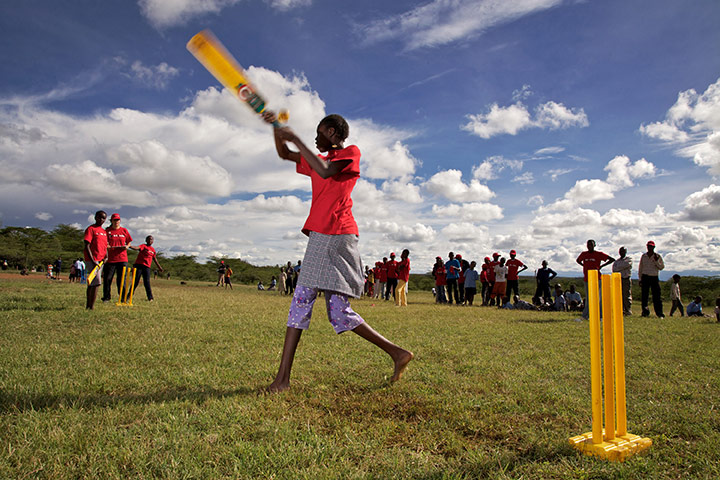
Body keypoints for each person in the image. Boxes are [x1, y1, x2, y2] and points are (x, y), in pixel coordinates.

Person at [262, 111, 413, 392]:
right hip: (327, 234)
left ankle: (282, 380)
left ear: (332, 133)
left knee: (301, 301)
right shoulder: (317, 158)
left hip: (332, 233)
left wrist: (294, 137)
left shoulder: (348, 153)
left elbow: (326, 170)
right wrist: (276, 128)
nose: (314, 138)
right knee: (339, 313)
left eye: (319, 132)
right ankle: (398, 353)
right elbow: (285, 154)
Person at [576, 240, 615, 319]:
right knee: (588, 298)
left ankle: (600, 316)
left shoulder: (599, 254)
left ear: (594, 245)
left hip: (597, 278)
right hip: (587, 278)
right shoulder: (584, 254)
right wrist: (584, 265)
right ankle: (586, 315)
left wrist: (601, 266)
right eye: (588, 244)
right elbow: (578, 260)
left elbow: (611, 259)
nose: (589, 246)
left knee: (599, 298)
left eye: (591, 244)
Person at [102, 213, 133, 302]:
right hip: (111, 259)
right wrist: (107, 246)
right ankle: (106, 297)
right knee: (108, 279)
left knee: (121, 280)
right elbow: (104, 243)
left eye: (118, 220)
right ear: (111, 221)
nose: (116, 222)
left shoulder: (124, 230)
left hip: (122, 259)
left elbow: (129, 241)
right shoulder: (107, 231)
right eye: (115, 220)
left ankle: (122, 297)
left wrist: (127, 246)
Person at [83, 211, 108, 309]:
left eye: (103, 218)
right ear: (95, 217)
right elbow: (87, 245)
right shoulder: (91, 229)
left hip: (101, 260)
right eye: (100, 217)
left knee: (92, 283)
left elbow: (105, 246)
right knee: (97, 282)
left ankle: (88, 306)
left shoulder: (104, 232)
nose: (101, 220)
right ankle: (91, 306)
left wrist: (106, 256)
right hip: (93, 259)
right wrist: (92, 259)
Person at [128, 235, 163, 301]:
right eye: (149, 239)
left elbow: (155, 259)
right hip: (139, 266)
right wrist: (130, 246)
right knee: (135, 281)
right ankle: (129, 296)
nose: (150, 241)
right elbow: (137, 248)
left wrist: (159, 267)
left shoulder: (153, 250)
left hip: (146, 267)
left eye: (151, 240)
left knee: (147, 282)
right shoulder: (143, 246)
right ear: (146, 240)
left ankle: (150, 298)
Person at [638, 240, 665, 318]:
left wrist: (656, 261)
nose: (650, 248)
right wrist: (640, 279)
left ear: (654, 247)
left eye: (651, 247)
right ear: (647, 247)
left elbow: (661, 267)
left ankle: (659, 313)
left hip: (654, 277)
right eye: (649, 246)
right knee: (644, 296)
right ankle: (645, 312)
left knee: (657, 296)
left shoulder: (657, 256)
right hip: (645, 276)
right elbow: (641, 268)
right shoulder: (644, 256)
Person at [612, 246, 633, 316]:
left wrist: (619, 267)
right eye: (620, 251)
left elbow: (626, 265)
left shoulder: (629, 259)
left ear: (625, 252)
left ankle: (628, 310)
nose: (622, 252)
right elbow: (614, 269)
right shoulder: (616, 261)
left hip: (626, 278)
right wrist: (620, 267)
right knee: (619, 295)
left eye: (623, 251)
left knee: (626, 295)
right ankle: (620, 310)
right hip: (618, 279)